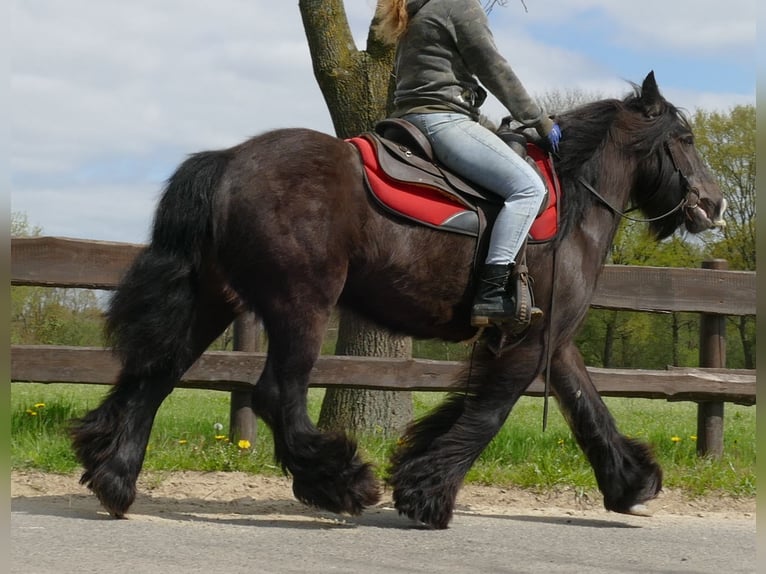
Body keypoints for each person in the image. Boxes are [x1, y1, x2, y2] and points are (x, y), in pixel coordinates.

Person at [375, 0, 561, 330]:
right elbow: (494, 68)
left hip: (410, 118)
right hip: (442, 120)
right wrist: (541, 122)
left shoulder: (417, 9)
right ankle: (490, 293)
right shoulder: (457, 5)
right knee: (528, 188)